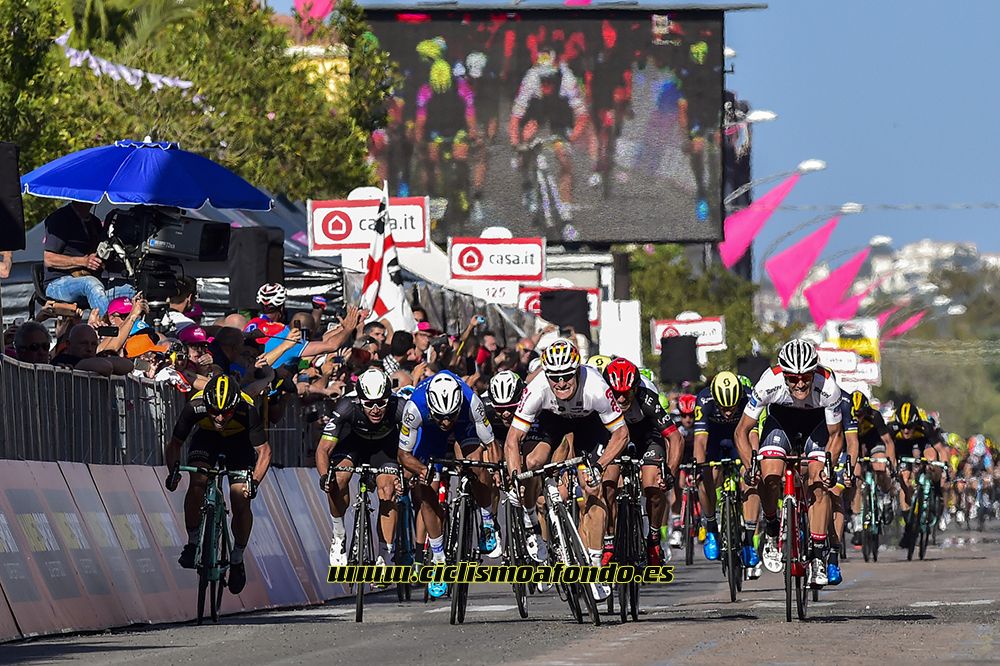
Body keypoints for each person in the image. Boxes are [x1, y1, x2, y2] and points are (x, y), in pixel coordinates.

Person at [503, 338, 629, 601]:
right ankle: (532, 526)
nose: (561, 383)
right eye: (555, 378)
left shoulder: (595, 387)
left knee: (592, 487)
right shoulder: (537, 388)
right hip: (552, 421)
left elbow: (621, 434)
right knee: (533, 463)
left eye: (567, 377)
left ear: (577, 371)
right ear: (546, 375)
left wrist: (599, 465)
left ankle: (594, 568)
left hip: (590, 424)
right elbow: (512, 439)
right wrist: (516, 477)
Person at [734, 339, 844, 588]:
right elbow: (742, 431)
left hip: (817, 427)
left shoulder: (828, 386)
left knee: (818, 481)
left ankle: (817, 556)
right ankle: (772, 528)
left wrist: (829, 467)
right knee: (769, 474)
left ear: (814, 371)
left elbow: (836, 435)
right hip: (781, 424)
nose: (800, 383)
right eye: (793, 378)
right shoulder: (768, 383)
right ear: (783, 373)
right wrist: (749, 466)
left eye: (805, 376)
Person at [164, 375, 272, 595]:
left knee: (240, 498)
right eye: (214, 411)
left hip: (239, 442)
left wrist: (254, 483)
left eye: (226, 412)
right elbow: (175, 444)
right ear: (207, 405)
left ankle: (237, 558)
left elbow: (264, 452)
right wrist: (173, 471)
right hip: (207, 438)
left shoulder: (246, 409)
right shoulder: (195, 406)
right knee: (198, 482)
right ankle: (193, 542)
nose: (221, 417)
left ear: (235, 406)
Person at [396, 370, 500, 598]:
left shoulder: (471, 401)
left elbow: (491, 443)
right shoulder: (414, 408)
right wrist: (423, 471)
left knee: (477, 464)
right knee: (426, 493)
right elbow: (403, 454)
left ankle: (486, 521)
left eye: (449, 416)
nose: (445, 422)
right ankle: (439, 559)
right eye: (441, 416)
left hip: (464, 425)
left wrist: (495, 471)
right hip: (429, 434)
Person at [316, 368, 405, 569]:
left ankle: (385, 554)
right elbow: (323, 449)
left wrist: (405, 476)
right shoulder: (347, 405)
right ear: (359, 400)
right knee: (337, 479)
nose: (375, 409)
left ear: (388, 399)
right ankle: (339, 536)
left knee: (388, 490)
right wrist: (324, 477)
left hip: (384, 446)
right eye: (369, 404)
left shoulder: (400, 407)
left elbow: (411, 448)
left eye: (381, 403)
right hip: (353, 442)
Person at [603, 357, 681, 566]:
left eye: (626, 393)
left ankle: (654, 538)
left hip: (647, 435)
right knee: (608, 485)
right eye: (616, 393)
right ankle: (609, 542)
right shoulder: (601, 398)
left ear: (636, 388)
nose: (620, 399)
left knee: (652, 485)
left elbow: (675, 438)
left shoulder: (648, 398)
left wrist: (670, 472)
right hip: (614, 437)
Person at [694, 371, 762, 577]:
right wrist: (699, 467)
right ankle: (711, 525)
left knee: (751, 478)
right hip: (714, 440)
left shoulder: (749, 397)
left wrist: (753, 464)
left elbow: (752, 435)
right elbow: (699, 441)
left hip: (738, 439)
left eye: (732, 407)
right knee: (707, 478)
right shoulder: (704, 399)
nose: (728, 413)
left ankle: (750, 539)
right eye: (723, 408)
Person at [42, 201, 134, 315]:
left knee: (131, 289)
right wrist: (84, 261)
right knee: (90, 283)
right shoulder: (60, 218)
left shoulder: (94, 222)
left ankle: (139, 330)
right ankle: (106, 330)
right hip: (57, 284)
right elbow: (49, 259)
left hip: (92, 285)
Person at [668, 392, 697, 548]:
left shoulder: (700, 422)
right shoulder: (674, 422)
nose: (688, 419)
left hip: (695, 453)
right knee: (677, 486)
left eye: (691, 415)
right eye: (685, 415)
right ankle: (677, 526)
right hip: (680, 453)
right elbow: (671, 446)